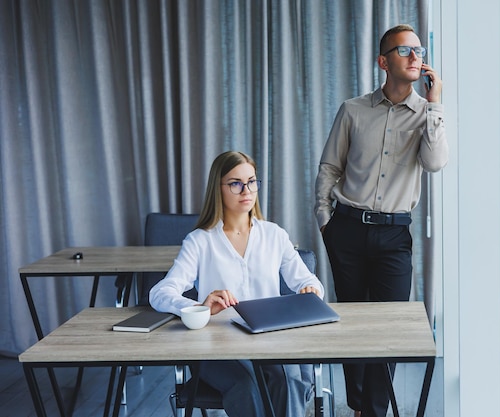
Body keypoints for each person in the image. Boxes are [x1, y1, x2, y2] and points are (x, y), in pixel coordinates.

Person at [314, 24, 448, 417]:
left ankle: (373, 411)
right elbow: (329, 168)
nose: (414, 57)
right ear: (382, 61)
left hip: (394, 235)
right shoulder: (352, 110)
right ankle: (357, 405)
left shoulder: (428, 115)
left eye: (418, 51)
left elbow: (435, 163)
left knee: (386, 331)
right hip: (348, 230)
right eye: (404, 50)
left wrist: (435, 103)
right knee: (352, 326)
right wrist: (327, 222)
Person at [150, 150, 325, 417]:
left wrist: (311, 290)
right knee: (246, 385)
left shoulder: (274, 235)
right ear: (218, 189)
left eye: (252, 181)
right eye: (236, 183)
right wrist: (200, 306)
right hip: (218, 347)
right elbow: (161, 293)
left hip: (269, 342)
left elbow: (308, 281)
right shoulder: (200, 241)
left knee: (289, 380)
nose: (247, 190)